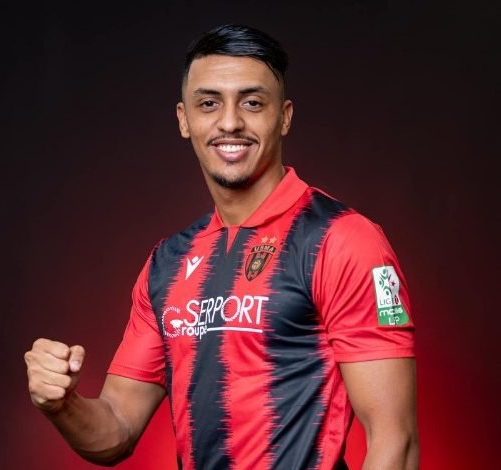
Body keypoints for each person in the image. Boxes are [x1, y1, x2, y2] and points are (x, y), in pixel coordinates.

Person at [24, 24, 418, 469]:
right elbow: (116, 430)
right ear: (184, 119)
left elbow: (396, 441)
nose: (230, 122)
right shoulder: (168, 262)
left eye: (252, 103)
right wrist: (62, 404)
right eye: (209, 103)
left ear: (284, 117)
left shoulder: (342, 239)